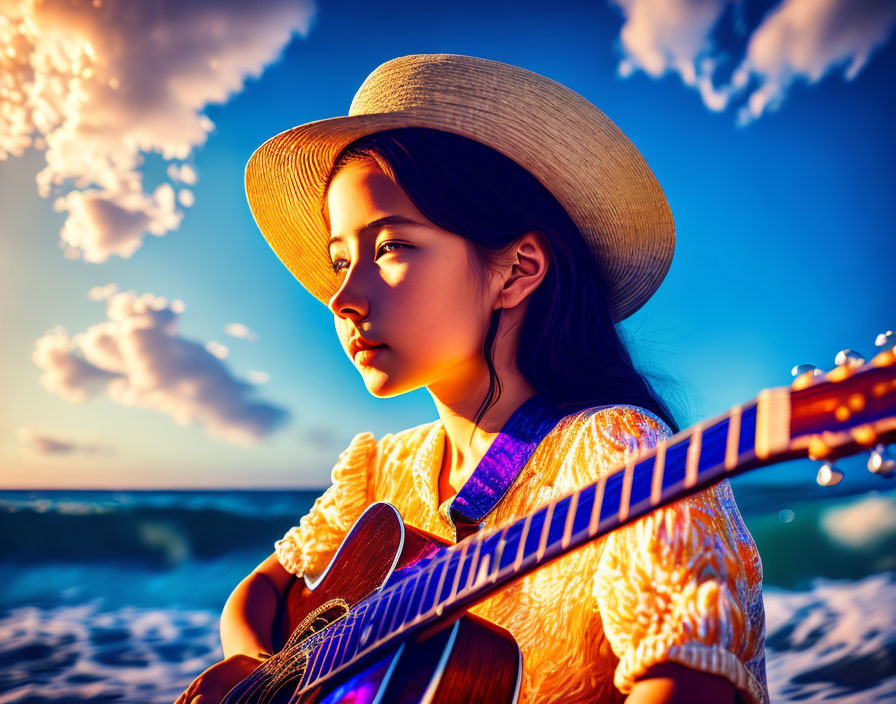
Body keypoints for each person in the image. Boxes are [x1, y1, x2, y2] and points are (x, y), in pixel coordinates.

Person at [176, 54, 768, 704]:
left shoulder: (616, 453)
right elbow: (262, 592)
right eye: (340, 260)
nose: (341, 296)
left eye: (390, 248)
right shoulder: (381, 470)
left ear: (516, 270)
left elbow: (685, 674)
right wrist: (259, 671)